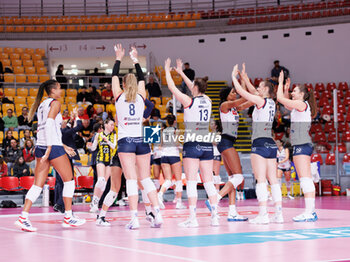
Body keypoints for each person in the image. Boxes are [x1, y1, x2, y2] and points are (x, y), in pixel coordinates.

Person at [14, 79, 85, 232]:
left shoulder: (42, 104)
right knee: (69, 181)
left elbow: (51, 129)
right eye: (59, 88)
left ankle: (23, 217)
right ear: (53, 90)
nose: (61, 91)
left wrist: (62, 146)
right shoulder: (55, 103)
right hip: (50, 147)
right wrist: (52, 147)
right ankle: (68, 216)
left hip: (41, 146)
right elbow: (49, 124)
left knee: (37, 184)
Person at [113, 44, 162, 229]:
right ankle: (157, 214)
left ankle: (134, 219)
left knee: (132, 180)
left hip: (126, 142)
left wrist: (118, 57)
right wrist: (135, 59)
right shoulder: (142, 95)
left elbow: (114, 76)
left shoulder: (118, 96)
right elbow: (142, 77)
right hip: (142, 141)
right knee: (146, 179)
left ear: (124, 85)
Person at [167, 58, 218, 227]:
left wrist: (168, 70)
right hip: (206, 143)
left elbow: (172, 88)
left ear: (195, 88)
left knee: (190, 181)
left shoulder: (189, 101)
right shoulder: (208, 101)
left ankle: (193, 218)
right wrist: (181, 72)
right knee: (208, 181)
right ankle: (215, 216)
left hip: (192, 143)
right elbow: (195, 88)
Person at [233, 64, 283, 224]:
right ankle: (279, 214)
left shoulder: (260, 101)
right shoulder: (270, 102)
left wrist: (234, 77)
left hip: (260, 142)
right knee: (273, 180)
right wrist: (245, 77)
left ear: (266, 90)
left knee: (261, 179)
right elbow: (253, 91)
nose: (258, 88)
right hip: (270, 143)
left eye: (260, 86)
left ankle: (263, 214)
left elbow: (243, 93)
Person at [206, 79, 252, 222]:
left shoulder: (233, 108)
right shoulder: (225, 105)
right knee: (239, 177)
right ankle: (215, 199)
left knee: (233, 179)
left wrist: (258, 98)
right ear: (227, 95)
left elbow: (248, 102)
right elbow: (244, 97)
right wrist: (244, 88)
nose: (235, 93)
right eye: (233, 92)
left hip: (228, 142)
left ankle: (232, 212)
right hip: (225, 142)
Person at [276, 71, 318, 222]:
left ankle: (309, 212)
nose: (293, 93)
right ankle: (310, 211)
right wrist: (286, 89)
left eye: (294, 91)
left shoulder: (301, 104)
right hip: (300, 144)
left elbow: (280, 99)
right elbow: (286, 103)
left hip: (302, 144)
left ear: (302, 94)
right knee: (304, 178)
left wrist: (280, 83)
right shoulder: (300, 105)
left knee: (305, 179)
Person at [54, 113, 83, 214]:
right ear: (61, 125)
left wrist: (72, 118)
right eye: (64, 122)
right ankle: (61, 204)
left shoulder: (60, 132)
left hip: (58, 157)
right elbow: (79, 127)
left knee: (59, 182)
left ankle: (58, 203)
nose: (66, 123)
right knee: (67, 181)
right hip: (66, 157)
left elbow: (71, 126)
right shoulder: (65, 132)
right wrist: (77, 117)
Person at [88, 118, 117, 213]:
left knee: (104, 184)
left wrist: (107, 141)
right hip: (100, 159)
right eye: (111, 124)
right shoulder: (98, 135)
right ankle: (94, 202)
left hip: (109, 161)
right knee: (101, 180)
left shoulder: (114, 135)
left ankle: (96, 202)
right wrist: (89, 146)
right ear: (106, 125)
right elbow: (93, 148)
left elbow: (114, 146)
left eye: (113, 125)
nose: (113, 126)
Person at [157, 114, 186, 210]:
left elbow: (161, 144)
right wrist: (182, 146)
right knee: (178, 180)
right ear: (174, 122)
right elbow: (177, 143)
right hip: (174, 155)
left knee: (168, 179)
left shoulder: (163, 131)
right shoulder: (175, 131)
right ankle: (179, 203)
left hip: (164, 155)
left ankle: (160, 194)